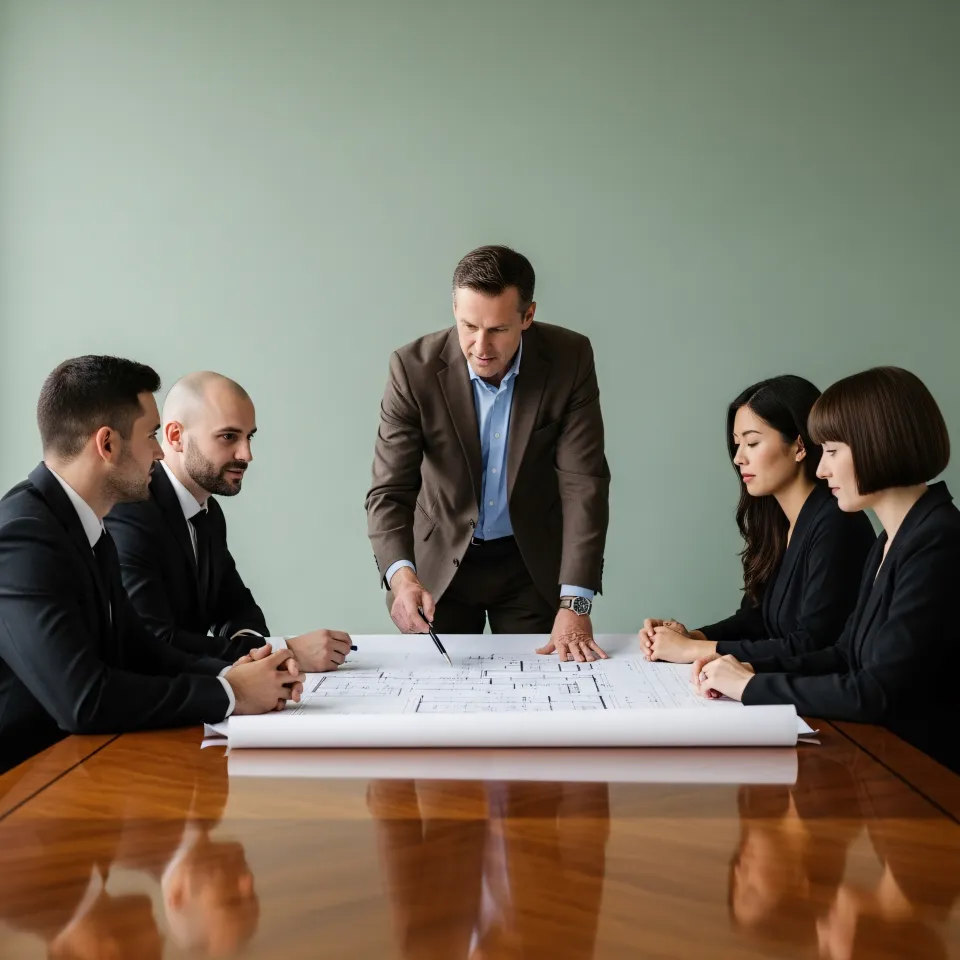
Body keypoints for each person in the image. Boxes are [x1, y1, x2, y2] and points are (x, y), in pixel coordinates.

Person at [0, 356, 302, 774]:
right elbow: (83, 700)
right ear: (107, 444)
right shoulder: (23, 537)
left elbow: (141, 651)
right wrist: (228, 694)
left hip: (77, 766)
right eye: (152, 435)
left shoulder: (88, 527)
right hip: (23, 788)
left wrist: (239, 670)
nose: (160, 453)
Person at [694, 367, 958, 773]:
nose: (821, 469)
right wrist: (748, 669)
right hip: (882, 763)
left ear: (878, 445)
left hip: (925, 777)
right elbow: (843, 654)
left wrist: (749, 686)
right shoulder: (892, 539)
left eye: (832, 451)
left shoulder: (938, 540)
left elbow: (874, 692)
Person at [365, 245, 610, 661]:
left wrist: (576, 602)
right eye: (468, 326)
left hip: (529, 563)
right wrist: (400, 577)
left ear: (527, 317)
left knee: (541, 697)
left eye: (497, 329)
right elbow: (390, 491)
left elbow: (583, 484)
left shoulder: (570, 360)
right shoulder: (411, 369)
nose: (480, 346)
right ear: (454, 308)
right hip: (437, 566)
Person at [106, 371, 352, 671]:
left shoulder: (207, 512)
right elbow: (155, 641)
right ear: (175, 436)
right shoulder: (132, 510)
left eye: (249, 437)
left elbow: (236, 607)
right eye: (228, 437)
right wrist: (283, 652)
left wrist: (252, 648)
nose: (246, 454)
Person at [639, 375, 875, 664]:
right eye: (737, 444)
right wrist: (693, 637)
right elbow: (758, 620)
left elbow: (814, 645)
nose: (738, 458)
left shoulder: (838, 523)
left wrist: (692, 651)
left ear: (799, 446)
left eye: (752, 443)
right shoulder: (778, 521)